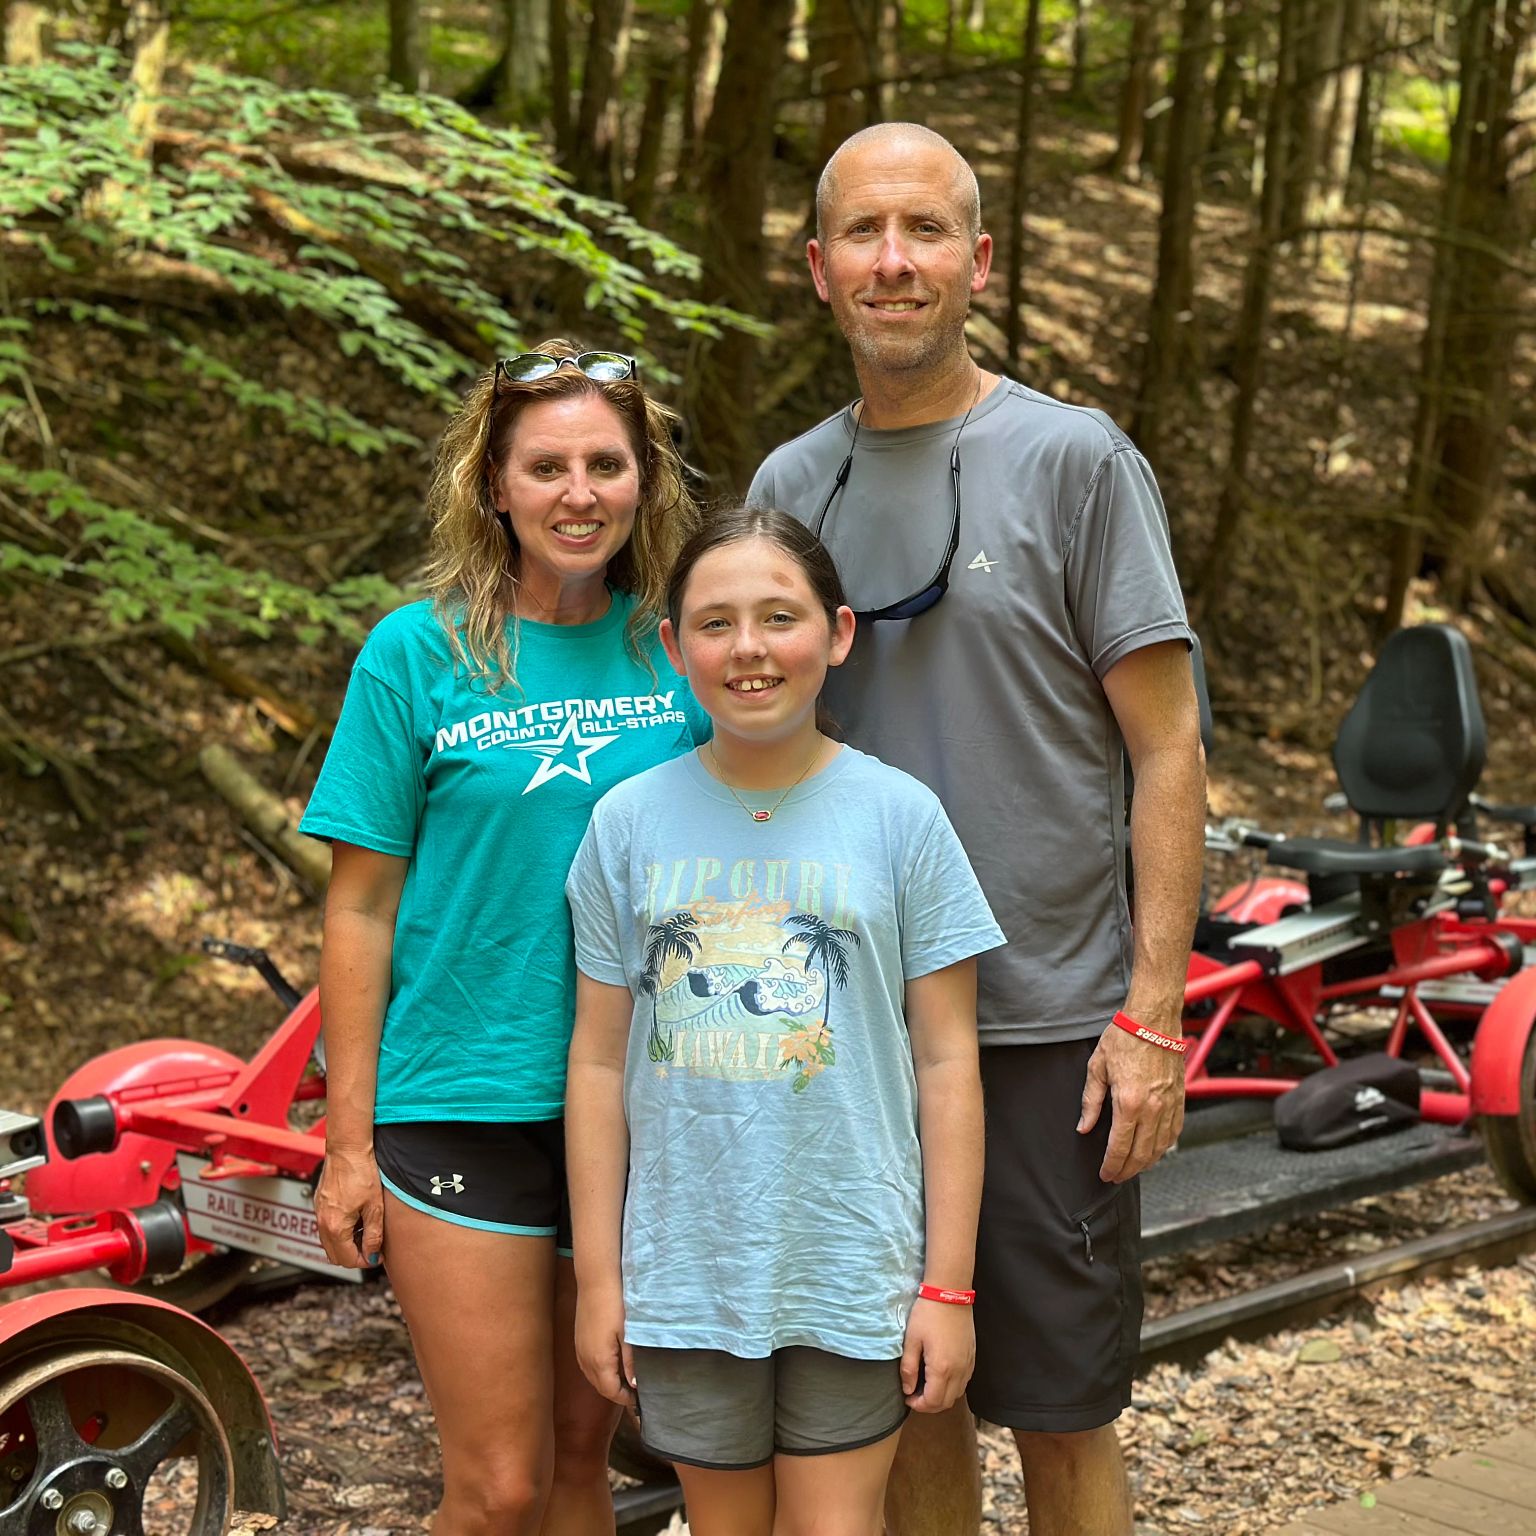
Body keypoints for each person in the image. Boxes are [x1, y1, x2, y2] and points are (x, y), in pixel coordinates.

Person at [748, 124, 1207, 1536]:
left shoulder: (1075, 460)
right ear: (818, 269)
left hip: (1045, 1034)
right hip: (846, 1040)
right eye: (867, 236)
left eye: (928, 231)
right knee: (903, 1403)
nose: (897, 262)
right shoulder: (788, 490)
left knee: (1063, 1417)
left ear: (978, 261)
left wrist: (1150, 1014)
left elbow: (1169, 745)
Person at [300, 340, 710, 1536]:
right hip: (459, 1098)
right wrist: (344, 1144)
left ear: (644, 481)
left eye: (604, 463)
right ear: (495, 485)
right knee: (497, 1490)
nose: (577, 493)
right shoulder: (415, 654)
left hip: (638, 1105)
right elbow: (360, 908)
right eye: (545, 467)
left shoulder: (680, 648)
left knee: (587, 1473)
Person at [563, 506, 1005, 1536]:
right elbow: (596, 1065)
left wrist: (948, 1287)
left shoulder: (902, 818)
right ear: (674, 648)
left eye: (779, 617)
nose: (749, 649)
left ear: (838, 634)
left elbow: (947, 1063)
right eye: (716, 623)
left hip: (852, 1262)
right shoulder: (626, 822)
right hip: (685, 1269)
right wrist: (600, 1282)